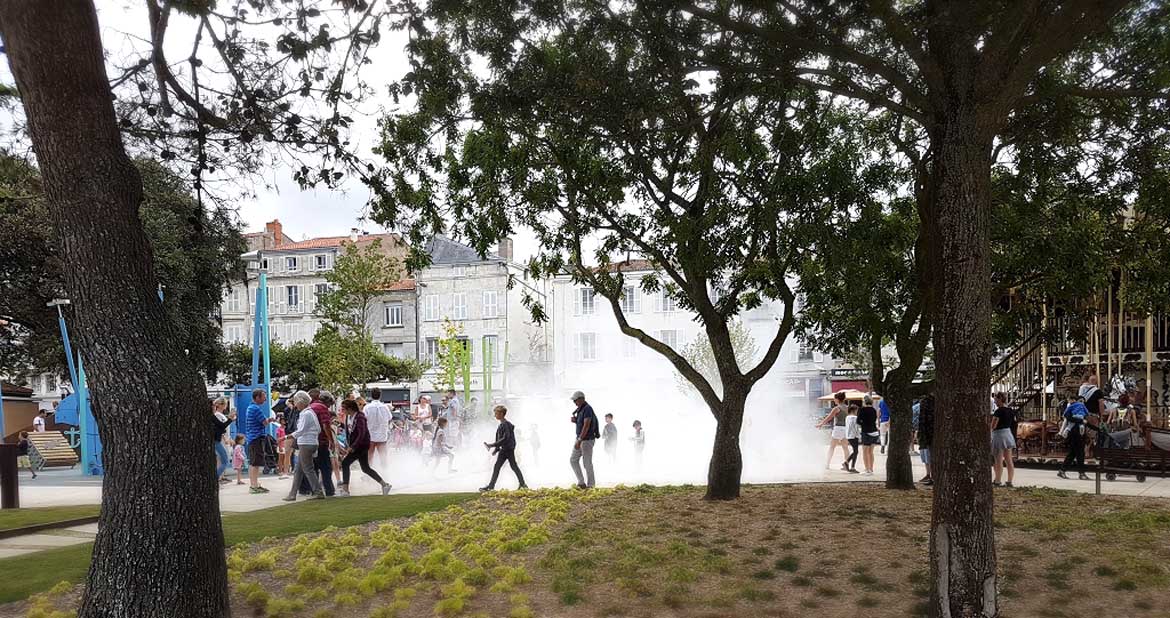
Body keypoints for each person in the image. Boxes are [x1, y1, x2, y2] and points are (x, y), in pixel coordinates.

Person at [337, 398, 392, 496]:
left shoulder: (360, 417)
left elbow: (361, 433)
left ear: (350, 408)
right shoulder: (348, 417)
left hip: (361, 445)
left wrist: (353, 446)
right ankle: (384, 484)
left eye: (344, 409)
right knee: (365, 468)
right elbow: (349, 432)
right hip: (357, 445)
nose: (342, 411)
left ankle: (345, 490)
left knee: (345, 463)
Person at [283, 390, 325, 501]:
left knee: (307, 469)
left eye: (296, 402)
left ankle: (318, 491)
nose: (295, 405)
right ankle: (292, 494)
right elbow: (318, 429)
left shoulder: (305, 414)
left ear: (301, 402)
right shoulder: (310, 412)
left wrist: (287, 437)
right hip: (309, 443)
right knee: (299, 470)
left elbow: (300, 430)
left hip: (306, 443)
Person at [481, 405, 527, 491]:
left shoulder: (505, 424)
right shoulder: (503, 424)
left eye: (496, 413)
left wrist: (492, 445)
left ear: (501, 414)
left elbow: (506, 438)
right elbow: (501, 438)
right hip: (506, 449)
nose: (495, 415)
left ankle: (491, 486)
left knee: (505, 466)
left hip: (507, 449)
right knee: (507, 466)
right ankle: (522, 484)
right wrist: (496, 448)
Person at [244, 388, 275, 494]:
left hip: (252, 437)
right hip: (256, 438)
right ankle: (253, 486)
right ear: (257, 397)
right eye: (264, 397)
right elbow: (264, 422)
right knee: (255, 463)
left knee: (253, 462)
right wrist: (270, 420)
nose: (265, 399)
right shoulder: (256, 409)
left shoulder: (250, 407)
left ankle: (254, 484)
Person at [310, 391, 338, 497]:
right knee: (326, 467)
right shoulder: (322, 408)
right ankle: (329, 490)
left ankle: (315, 490)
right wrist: (331, 440)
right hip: (321, 441)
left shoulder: (312, 406)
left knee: (314, 467)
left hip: (311, 441)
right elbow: (326, 425)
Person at [569, 391, 599, 489]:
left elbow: (586, 425)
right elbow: (583, 423)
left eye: (575, 400)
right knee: (573, 460)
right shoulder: (581, 409)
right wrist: (576, 421)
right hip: (581, 439)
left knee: (587, 463)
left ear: (581, 399)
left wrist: (579, 440)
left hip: (586, 440)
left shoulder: (587, 409)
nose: (574, 402)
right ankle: (581, 482)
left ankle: (591, 485)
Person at [816, 391, 851, 471]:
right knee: (845, 448)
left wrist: (820, 424)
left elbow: (829, 418)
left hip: (838, 428)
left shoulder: (836, 408)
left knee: (832, 447)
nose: (834, 400)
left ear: (838, 399)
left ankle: (827, 464)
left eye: (835, 399)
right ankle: (847, 464)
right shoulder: (848, 408)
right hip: (846, 428)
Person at [1058, 395, 1091, 480]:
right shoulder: (1070, 408)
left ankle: (1062, 470)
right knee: (1079, 453)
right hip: (1074, 432)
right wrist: (1080, 420)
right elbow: (1068, 418)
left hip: (1080, 432)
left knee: (1073, 453)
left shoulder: (1082, 409)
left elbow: (1086, 419)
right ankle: (1081, 473)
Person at [990, 392, 1017, 487]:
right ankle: (1009, 481)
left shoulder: (998, 411)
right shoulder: (1010, 410)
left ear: (1000, 399)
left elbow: (993, 425)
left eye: (996, 399)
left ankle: (997, 481)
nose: (995, 402)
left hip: (999, 436)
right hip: (1008, 434)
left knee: (998, 460)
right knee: (1009, 460)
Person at [210, 397, 234, 483]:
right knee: (223, 459)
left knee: (223, 459)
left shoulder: (218, 415)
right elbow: (221, 427)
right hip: (219, 439)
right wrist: (231, 418)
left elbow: (222, 428)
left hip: (221, 439)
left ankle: (220, 476)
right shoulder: (216, 415)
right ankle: (217, 477)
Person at [363, 387, 392, 460]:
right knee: (383, 457)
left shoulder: (367, 407)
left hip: (370, 435)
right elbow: (389, 418)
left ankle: (369, 471)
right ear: (380, 395)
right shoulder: (385, 407)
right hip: (382, 435)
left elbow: (363, 419)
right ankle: (384, 471)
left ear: (371, 395)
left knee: (369, 457)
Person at [857, 395, 880, 475]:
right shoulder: (874, 410)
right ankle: (871, 469)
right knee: (871, 452)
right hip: (874, 432)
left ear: (864, 401)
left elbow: (858, 421)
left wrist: (863, 423)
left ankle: (867, 469)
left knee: (865, 452)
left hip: (866, 432)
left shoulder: (862, 410)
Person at [917, 396, 935, 485]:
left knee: (930, 455)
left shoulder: (925, 402)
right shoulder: (927, 401)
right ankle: (931, 476)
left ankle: (932, 476)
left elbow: (922, 419)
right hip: (930, 432)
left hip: (928, 433)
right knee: (929, 455)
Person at [844, 404, 861, 473]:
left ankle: (847, 462)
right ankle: (852, 466)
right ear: (853, 410)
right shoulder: (855, 418)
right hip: (854, 436)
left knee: (855, 451)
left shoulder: (847, 417)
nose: (857, 412)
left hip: (849, 436)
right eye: (856, 410)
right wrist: (859, 436)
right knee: (856, 451)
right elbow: (856, 428)